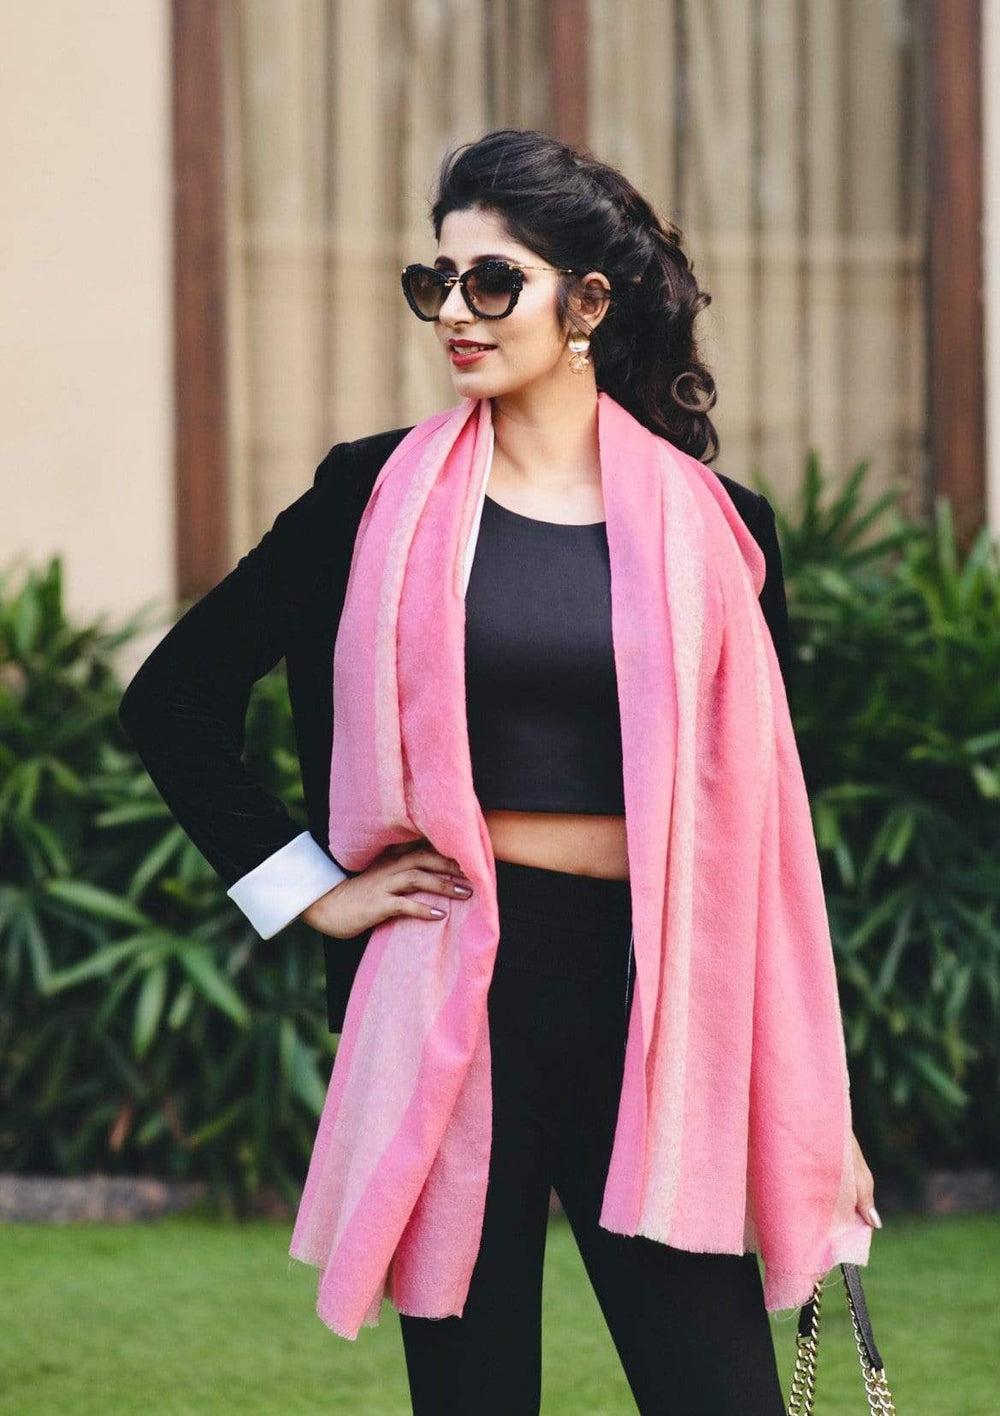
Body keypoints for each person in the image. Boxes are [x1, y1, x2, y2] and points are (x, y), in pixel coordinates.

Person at [120, 128, 880, 1415]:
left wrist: (819, 1106)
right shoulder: (370, 496)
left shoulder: (722, 530)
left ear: (587, 304)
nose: (455, 314)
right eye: (437, 282)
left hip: (658, 1003)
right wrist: (310, 889)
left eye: (492, 281)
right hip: (455, 989)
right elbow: (174, 700)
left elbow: (762, 839)